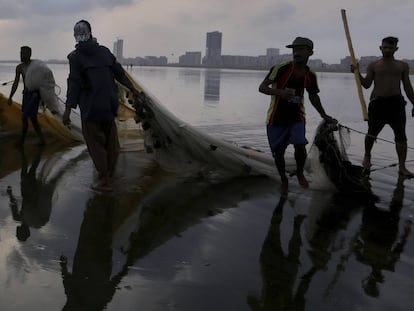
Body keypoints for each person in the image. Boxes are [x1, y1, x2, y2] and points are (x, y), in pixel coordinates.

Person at [62, 20, 139, 192]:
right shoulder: (104, 52)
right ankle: (109, 174)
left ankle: (105, 180)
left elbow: (74, 84)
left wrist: (67, 110)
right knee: (110, 141)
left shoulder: (75, 58)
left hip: (91, 108)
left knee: (95, 144)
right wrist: (134, 89)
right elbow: (120, 73)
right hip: (109, 105)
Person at [259, 37, 335, 193]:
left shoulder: (310, 75)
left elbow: (313, 97)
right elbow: (262, 87)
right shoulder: (280, 68)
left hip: (296, 116)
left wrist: (324, 115)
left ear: (310, 53)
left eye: (301, 49)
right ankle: (284, 180)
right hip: (276, 117)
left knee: (300, 144)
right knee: (278, 153)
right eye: (294, 50)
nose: (296, 53)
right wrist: (279, 92)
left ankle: (300, 172)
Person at [352, 36, 414, 177]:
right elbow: (367, 84)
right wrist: (357, 73)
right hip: (378, 104)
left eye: (390, 47)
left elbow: (408, 87)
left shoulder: (402, 66)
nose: (387, 50)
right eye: (385, 47)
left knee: (401, 137)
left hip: (396, 105)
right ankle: (367, 156)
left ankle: (402, 167)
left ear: (396, 49)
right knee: (371, 133)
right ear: (380, 48)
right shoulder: (373, 65)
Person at [8, 46, 45, 145]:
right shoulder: (19, 67)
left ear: (29, 54)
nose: (21, 55)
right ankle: (42, 140)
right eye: (20, 53)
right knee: (33, 119)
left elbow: (41, 82)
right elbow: (16, 83)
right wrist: (10, 96)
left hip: (34, 95)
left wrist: (42, 98)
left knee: (25, 117)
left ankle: (22, 141)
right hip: (26, 95)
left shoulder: (35, 66)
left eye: (23, 53)